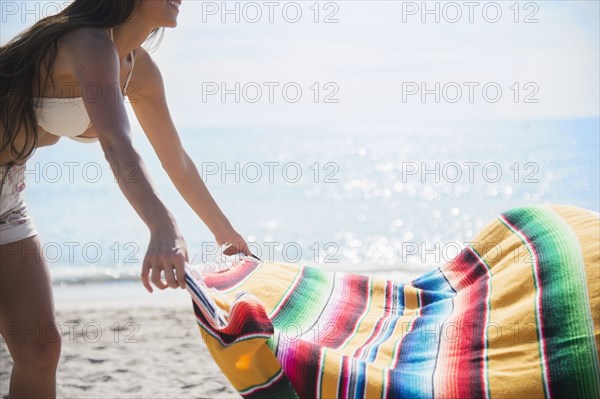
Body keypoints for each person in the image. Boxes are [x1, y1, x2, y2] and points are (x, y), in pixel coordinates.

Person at [0, 0, 252, 397]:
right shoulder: (87, 42)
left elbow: (178, 161)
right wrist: (161, 225)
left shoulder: (140, 70)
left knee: (40, 349)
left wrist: (227, 237)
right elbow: (118, 146)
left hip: (7, 198)